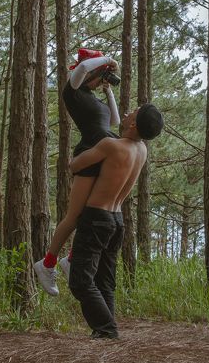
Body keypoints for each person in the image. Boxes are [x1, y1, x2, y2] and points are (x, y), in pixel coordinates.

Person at [67, 103, 164, 338]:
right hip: (117, 221)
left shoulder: (111, 146)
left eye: (133, 112)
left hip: (96, 218)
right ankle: (105, 332)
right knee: (105, 282)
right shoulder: (141, 150)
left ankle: (106, 329)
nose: (127, 112)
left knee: (80, 281)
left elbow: (74, 165)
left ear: (134, 124)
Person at [32, 49, 120, 296]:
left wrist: (108, 89)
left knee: (92, 213)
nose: (101, 78)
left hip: (105, 153)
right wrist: (108, 60)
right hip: (90, 151)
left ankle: (70, 260)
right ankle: (47, 263)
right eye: (100, 73)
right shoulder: (72, 91)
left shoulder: (94, 98)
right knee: (74, 215)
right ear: (92, 69)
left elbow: (114, 120)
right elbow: (81, 69)